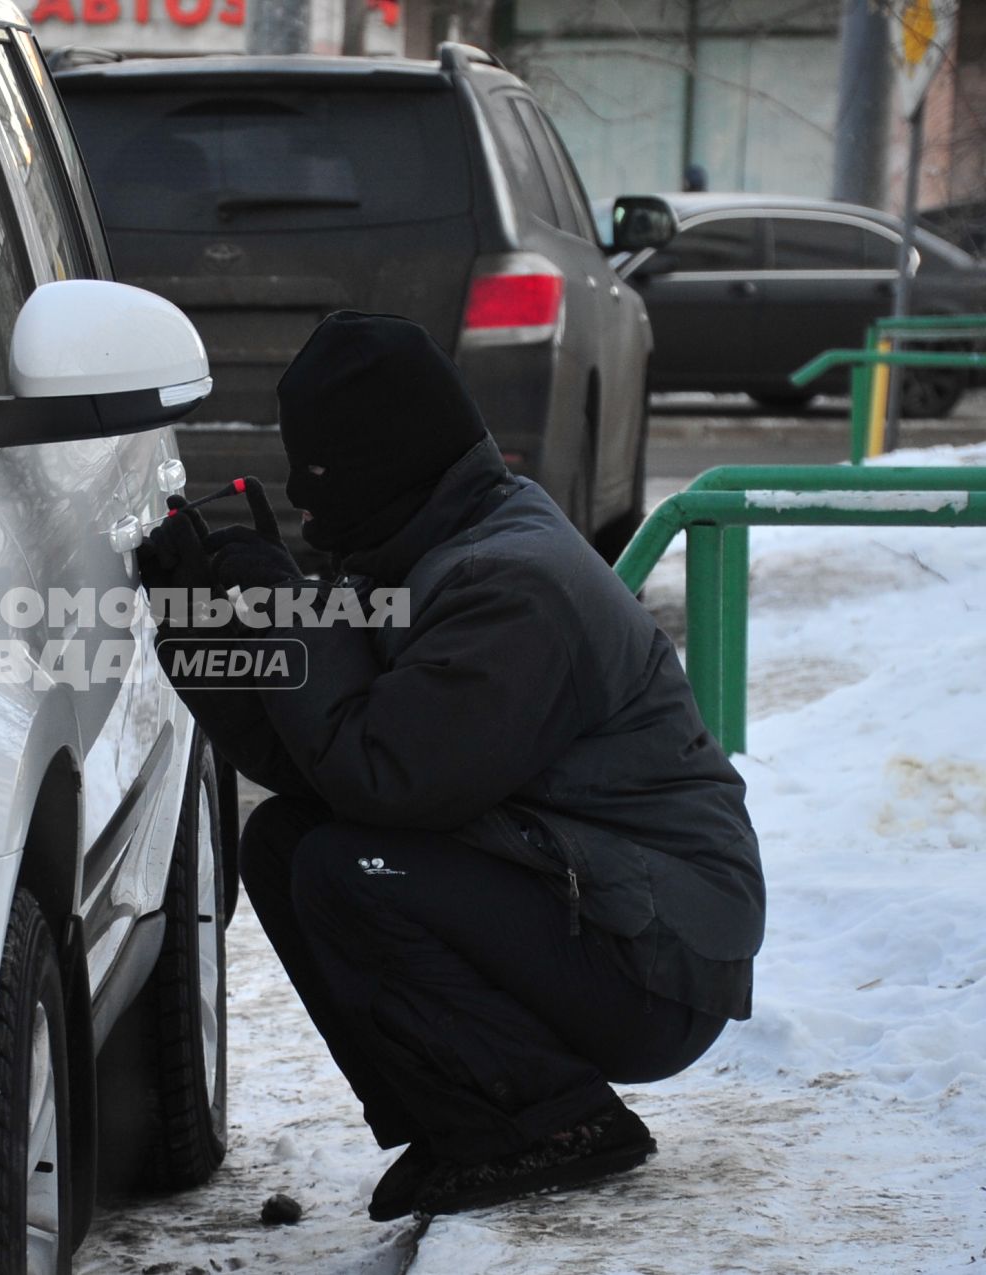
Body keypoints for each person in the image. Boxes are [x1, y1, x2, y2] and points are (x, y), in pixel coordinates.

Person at [136, 312, 764, 1219]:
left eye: (321, 482)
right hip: (588, 891)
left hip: (661, 955)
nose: (308, 509)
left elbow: (385, 776)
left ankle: (555, 1123)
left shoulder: (512, 586)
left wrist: (281, 604)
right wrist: (198, 630)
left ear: (381, 464)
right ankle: (462, 1115)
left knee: (353, 867)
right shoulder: (429, 541)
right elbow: (312, 757)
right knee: (285, 841)